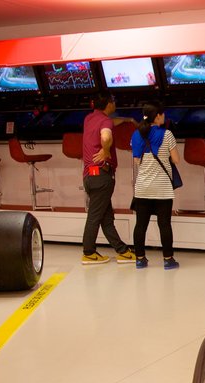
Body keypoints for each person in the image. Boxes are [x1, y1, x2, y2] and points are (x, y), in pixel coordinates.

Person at [81, 90, 136, 265]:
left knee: (105, 217)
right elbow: (106, 134)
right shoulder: (105, 122)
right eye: (114, 100)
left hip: (90, 176)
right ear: (108, 104)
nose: (115, 103)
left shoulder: (89, 119)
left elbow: (110, 123)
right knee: (95, 216)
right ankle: (88, 252)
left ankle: (122, 251)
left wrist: (127, 120)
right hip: (102, 176)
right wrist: (105, 150)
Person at [129, 102, 181, 270]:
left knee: (140, 224)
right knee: (164, 224)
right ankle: (168, 259)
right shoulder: (167, 134)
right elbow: (176, 160)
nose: (164, 117)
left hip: (142, 187)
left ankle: (140, 259)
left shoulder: (136, 135)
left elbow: (137, 161)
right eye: (163, 114)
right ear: (157, 116)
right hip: (162, 188)